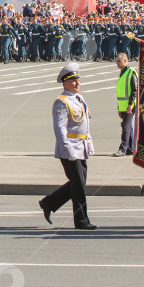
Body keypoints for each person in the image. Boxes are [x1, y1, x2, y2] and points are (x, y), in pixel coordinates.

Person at [38, 62, 97, 230]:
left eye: (78, 80)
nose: (77, 83)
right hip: (70, 149)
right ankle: (81, 221)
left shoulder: (79, 99)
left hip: (82, 147)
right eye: (73, 81)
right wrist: (68, 150)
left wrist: (89, 143)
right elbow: (60, 129)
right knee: (78, 186)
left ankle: (49, 203)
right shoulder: (61, 102)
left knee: (78, 183)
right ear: (65, 83)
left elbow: (84, 124)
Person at [113, 53, 137, 157]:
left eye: (119, 61)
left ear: (126, 61)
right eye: (117, 61)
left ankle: (123, 149)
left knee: (125, 127)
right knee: (128, 127)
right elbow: (121, 92)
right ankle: (131, 148)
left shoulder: (131, 73)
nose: (117, 63)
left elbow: (135, 90)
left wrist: (130, 105)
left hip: (129, 105)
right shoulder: (122, 73)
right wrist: (119, 107)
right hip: (123, 105)